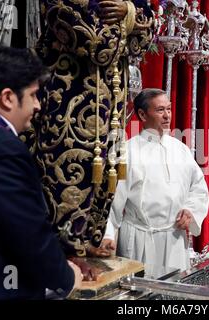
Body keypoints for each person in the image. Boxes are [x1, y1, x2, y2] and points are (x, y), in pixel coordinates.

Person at [0, 46, 82, 299]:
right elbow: (27, 231)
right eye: (33, 95)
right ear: (8, 98)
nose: (38, 105)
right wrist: (65, 277)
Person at [27, 0, 155, 256]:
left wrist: (128, 12)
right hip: (67, 105)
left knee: (105, 175)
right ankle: (62, 251)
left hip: (110, 109)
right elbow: (97, 44)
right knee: (69, 174)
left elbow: (146, 35)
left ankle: (86, 239)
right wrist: (131, 22)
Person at [101, 88, 209, 277]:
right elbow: (112, 202)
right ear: (142, 114)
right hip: (139, 241)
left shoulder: (180, 149)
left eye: (169, 109)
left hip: (174, 238)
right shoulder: (128, 152)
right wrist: (108, 235)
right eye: (160, 110)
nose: (167, 116)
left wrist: (190, 210)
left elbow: (198, 188)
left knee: (174, 297)